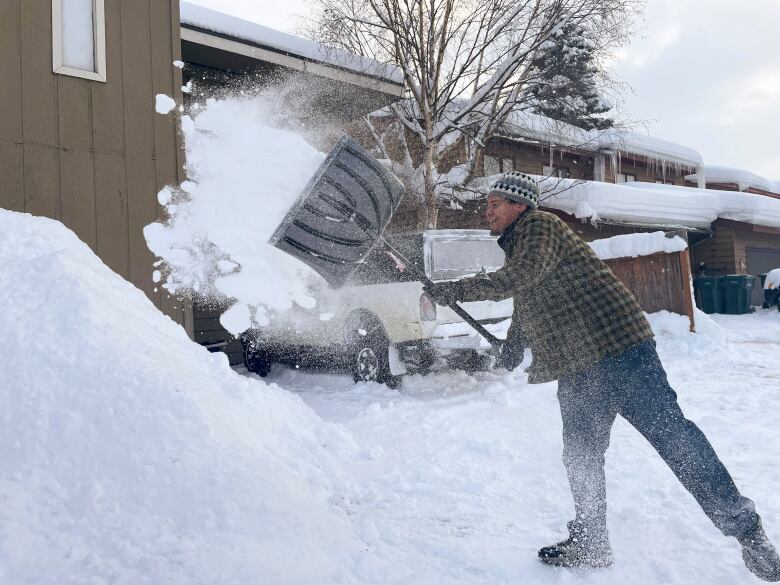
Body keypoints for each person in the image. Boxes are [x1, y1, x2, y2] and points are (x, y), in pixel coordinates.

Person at [424, 171, 780, 581]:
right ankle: (591, 541)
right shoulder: (522, 244)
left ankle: (746, 530)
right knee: (581, 454)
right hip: (579, 366)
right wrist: (514, 342)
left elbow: (524, 277)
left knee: (673, 438)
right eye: (487, 204)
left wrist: (459, 289)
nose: (487, 211)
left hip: (620, 351)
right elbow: (530, 293)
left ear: (519, 205)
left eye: (495, 203)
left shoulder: (541, 225)